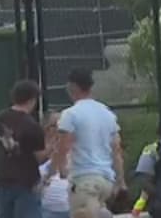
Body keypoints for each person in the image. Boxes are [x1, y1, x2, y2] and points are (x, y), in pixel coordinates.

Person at [53, 68, 125, 218]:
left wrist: (60, 168)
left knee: (83, 213)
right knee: (99, 212)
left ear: (72, 87)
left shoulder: (70, 114)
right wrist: (120, 180)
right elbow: (116, 150)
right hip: (106, 179)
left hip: (84, 178)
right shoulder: (107, 114)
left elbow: (63, 145)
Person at [0, 79, 48, 218]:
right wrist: (52, 147)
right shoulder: (32, 126)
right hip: (26, 181)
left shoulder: (0, 118)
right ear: (32, 99)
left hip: (3, 177)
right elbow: (39, 158)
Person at [40, 112, 71, 218]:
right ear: (47, 129)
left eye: (62, 126)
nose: (59, 130)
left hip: (70, 207)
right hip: (45, 208)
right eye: (55, 126)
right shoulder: (39, 151)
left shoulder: (73, 152)